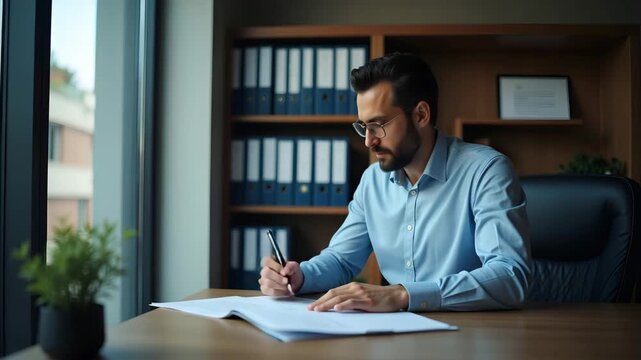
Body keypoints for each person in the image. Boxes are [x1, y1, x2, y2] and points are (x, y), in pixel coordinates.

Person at [259, 53, 532, 312]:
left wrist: (403, 294)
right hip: (397, 333)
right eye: (364, 127)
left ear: (421, 115)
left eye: (378, 125)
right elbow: (341, 259)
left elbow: (510, 275)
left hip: (473, 334)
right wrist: (299, 276)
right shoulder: (372, 181)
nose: (369, 141)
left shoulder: (486, 171)